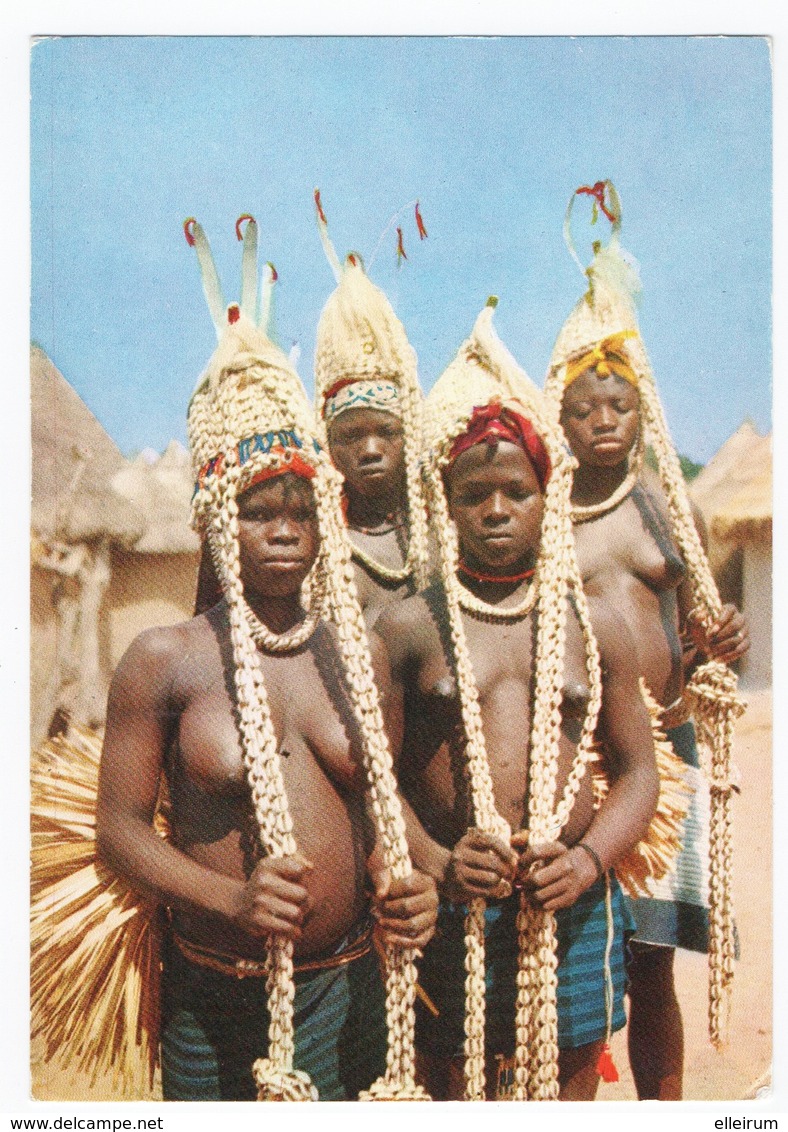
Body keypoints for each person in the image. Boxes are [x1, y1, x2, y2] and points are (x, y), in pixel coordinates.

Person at [96, 216, 437, 1102]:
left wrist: (412, 884)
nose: (284, 529)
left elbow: (380, 806)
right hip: (214, 994)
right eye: (257, 508)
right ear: (216, 516)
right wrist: (229, 903)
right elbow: (121, 830)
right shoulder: (164, 660)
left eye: (300, 507)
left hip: (351, 988)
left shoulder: (355, 655)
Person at [375, 298, 660, 1102]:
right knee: (448, 1087)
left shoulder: (592, 623)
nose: (496, 511)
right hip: (449, 912)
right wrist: (434, 862)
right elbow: (375, 775)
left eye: (516, 491)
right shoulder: (409, 627)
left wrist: (587, 859)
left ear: (547, 495)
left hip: (570, 904)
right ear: (446, 503)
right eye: (474, 495)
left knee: (570, 1089)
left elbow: (639, 772)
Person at [543, 181, 750, 1099]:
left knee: (657, 952)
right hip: (585, 755)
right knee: (588, 964)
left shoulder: (670, 509)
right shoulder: (547, 520)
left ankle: (662, 1107)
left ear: (642, 412)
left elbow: (699, 628)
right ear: (561, 415)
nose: (603, 421)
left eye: (619, 406)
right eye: (585, 410)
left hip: (666, 745)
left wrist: (716, 644)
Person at [312, 191, 431, 624]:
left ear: (410, 431)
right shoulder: (314, 548)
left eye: (386, 431)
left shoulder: (440, 536)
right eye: (351, 436)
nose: (370, 450)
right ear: (326, 441)